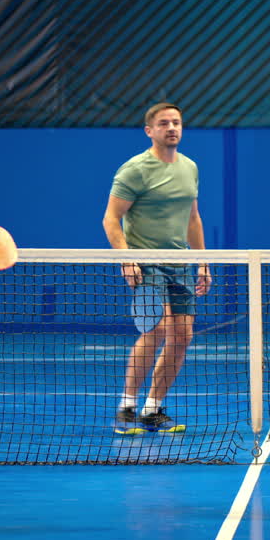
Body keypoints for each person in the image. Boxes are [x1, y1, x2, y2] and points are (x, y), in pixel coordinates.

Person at [103, 103, 211, 433]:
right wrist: (127, 259)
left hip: (181, 264)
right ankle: (126, 407)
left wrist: (203, 262)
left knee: (183, 335)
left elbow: (193, 219)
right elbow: (111, 218)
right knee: (157, 329)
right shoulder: (134, 170)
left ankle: (153, 408)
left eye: (176, 122)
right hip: (146, 261)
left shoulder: (190, 167)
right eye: (163, 123)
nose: (171, 128)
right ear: (150, 131)